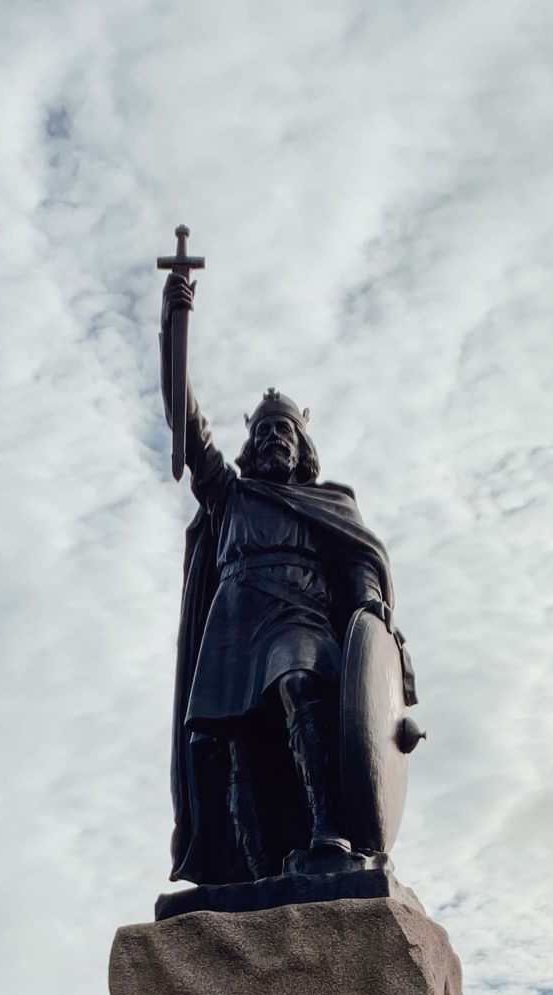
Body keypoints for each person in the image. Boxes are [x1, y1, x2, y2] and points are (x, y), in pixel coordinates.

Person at [159, 269, 407, 885]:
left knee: (300, 685)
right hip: (236, 626)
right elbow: (185, 423)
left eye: (283, 431)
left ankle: (328, 832)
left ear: (302, 445)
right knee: (235, 749)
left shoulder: (330, 503)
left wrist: (372, 604)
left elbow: (358, 565)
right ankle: (257, 870)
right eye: (263, 430)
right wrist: (174, 321)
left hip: (299, 614)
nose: (272, 439)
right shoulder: (229, 495)